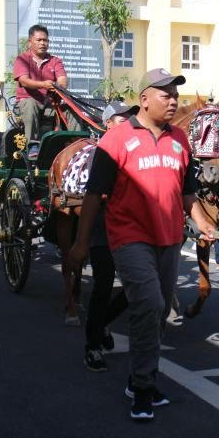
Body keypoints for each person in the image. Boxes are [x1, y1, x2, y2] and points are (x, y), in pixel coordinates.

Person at [69, 68, 215, 421]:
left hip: (169, 238)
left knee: (161, 308)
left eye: (175, 95)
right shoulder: (116, 139)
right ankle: (143, 385)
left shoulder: (180, 139)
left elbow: (187, 192)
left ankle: (139, 380)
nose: (173, 101)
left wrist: (200, 219)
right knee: (148, 303)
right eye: (166, 94)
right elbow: (93, 195)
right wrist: (80, 243)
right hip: (129, 237)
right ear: (144, 99)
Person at [83, 100, 139, 372]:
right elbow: (94, 196)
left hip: (130, 228)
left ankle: (101, 324)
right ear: (107, 124)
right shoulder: (103, 150)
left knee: (133, 288)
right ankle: (92, 346)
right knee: (103, 286)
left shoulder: (136, 147)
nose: (127, 122)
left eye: (130, 118)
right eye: (121, 119)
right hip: (103, 228)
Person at [13, 24, 68, 141]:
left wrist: (59, 87)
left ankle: (76, 145)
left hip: (49, 104)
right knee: (30, 103)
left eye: (45, 40)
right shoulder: (21, 59)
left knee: (70, 108)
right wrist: (43, 84)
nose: (43, 43)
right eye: (39, 40)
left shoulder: (55, 61)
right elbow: (24, 81)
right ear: (29, 42)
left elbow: (62, 81)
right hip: (26, 103)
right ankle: (32, 146)